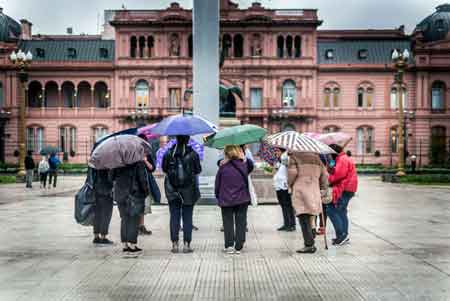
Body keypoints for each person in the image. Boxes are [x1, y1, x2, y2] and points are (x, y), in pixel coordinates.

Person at [162, 135, 202, 254]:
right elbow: (198, 170)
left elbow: (164, 169)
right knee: (187, 217)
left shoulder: (168, 153)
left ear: (176, 139)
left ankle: (174, 244)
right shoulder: (193, 154)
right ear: (188, 140)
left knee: (174, 216)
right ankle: (186, 244)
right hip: (188, 190)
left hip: (172, 190)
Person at [215, 145, 254, 254]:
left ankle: (229, 246)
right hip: (242, 199)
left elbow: (217, 184)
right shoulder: (243, 165)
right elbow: (251, 166)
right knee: (241, 222)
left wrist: (218, 195)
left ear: (226, 154)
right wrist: (244, 158)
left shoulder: (222, 167)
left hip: (226, 199)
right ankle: (239, 246)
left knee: (227, 223)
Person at [288, 152, 328, 254]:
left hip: (300, 189)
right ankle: (312, 235)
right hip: (314, 190)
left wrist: (289, 184)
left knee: (303, 216)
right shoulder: (317, 158)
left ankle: (309, 244)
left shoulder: (294, 157)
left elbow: (292, 173)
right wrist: (323, 189)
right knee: (311, 214)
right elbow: (324, 175)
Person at [112, 160, 150, 256]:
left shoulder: (117, 161)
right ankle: (132, 245)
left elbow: (110, 177)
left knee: (124, 218)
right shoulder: (138, 162)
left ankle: (125, 245)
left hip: (120, 193)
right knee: (134, 219)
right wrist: (146, 192)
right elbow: (142, 179)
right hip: (134, 194)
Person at [326, 144, 358, 246]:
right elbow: (333, 171)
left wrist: (328, 180)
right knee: (341, 211)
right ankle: (343, 236)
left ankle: (341, 236)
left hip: (344, 188)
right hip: (348, 187)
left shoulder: (342, 159)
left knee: (332, 210)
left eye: (329, 153)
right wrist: (330, 164)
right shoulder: (340, 158)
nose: (328, 155)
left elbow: (338, 175)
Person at [273, 147, 296, 232]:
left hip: (284, 185)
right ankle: (286, 223)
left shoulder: (285, 157)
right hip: (279, 185)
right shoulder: (279, 159)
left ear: (281, 151)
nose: (276, 153)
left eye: (277, 151)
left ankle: (291, 224)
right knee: (283, 205)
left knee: (288, 205)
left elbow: (288, 168)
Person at [92, 169, 114, 245]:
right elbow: (111, 178)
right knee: (106, 214)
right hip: (106, 191)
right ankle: (103, 237)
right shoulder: (108, 162)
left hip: (96, 190)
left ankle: (96, 236)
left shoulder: (95, 160)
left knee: (97, 214)